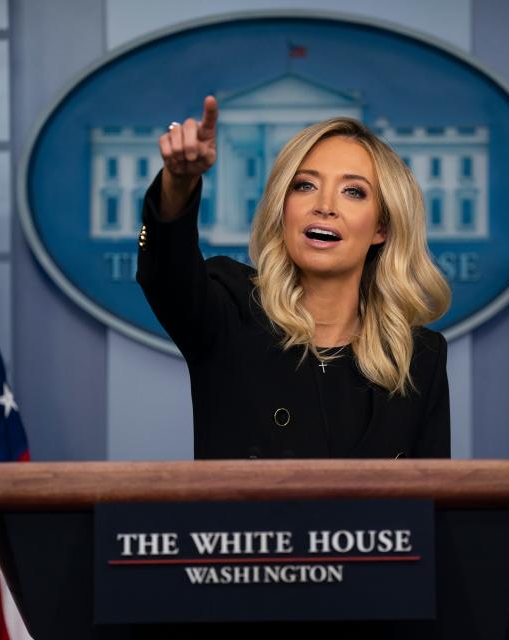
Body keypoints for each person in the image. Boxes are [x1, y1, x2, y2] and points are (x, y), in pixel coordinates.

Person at [137, 95, 452, 459]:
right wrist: (178, 183)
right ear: (283, 208)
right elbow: (166, 272)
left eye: (353, 191)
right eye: (305, 185)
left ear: (381, 226)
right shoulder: (230, 307)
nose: (324, 205)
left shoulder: (420, 357)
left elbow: (435, 507)